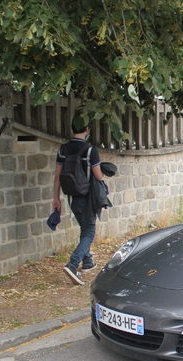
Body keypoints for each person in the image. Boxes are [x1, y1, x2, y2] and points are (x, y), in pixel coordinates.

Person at [53, 115, 103, 285]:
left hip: (72, 198)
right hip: (87, 197)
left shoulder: (63, 149)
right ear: (87, 129)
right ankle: (73, 264)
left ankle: (87, 262)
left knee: (84, 228)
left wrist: (56, 199)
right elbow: (98, 175)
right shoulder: (90, 151)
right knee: (89, 232)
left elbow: (57, 177)